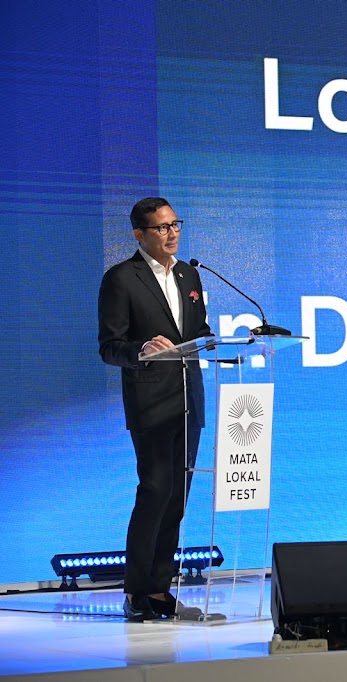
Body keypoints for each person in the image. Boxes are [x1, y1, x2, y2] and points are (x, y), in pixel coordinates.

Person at [98, 197, 211, 621]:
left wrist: (218, 340)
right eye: (162, 227)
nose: (172, 233)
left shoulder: (189, 274)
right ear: (139, 234)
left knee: (177, 500)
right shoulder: (121, 279)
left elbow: (199, 331)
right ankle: (136, 591)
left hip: (188, 400)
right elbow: (110, 347)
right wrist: (142, 349)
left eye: (175, 224)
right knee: (155, 493)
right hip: (151, 402)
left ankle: (161, 589)